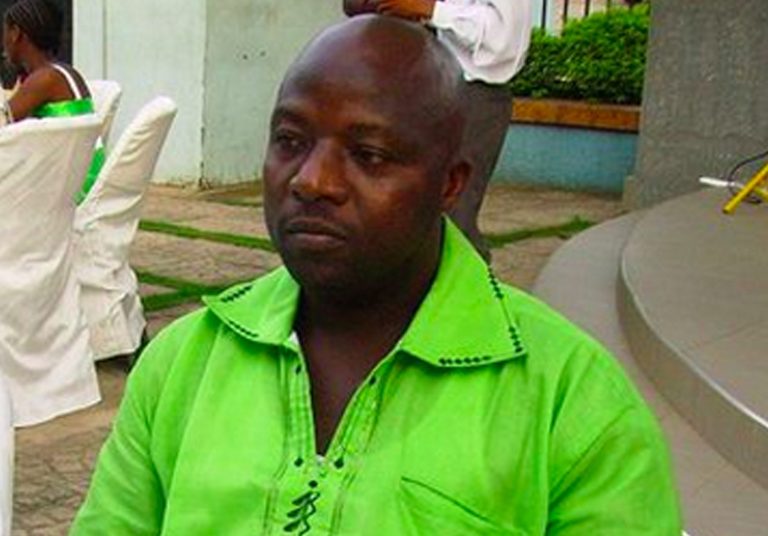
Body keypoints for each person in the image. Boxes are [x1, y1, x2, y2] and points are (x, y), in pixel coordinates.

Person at [72, 15, 680, 535]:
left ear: (451, 183)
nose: (312, 180)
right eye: (290, 140)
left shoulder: (572, 402)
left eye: (368, 156)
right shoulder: (183, 365)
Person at [344, 0, 531, 260]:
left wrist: (430, 9)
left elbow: (503, 42)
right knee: (400, 213)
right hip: (414, 85)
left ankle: (470, 296)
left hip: (471, 95)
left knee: (451, 223)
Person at [1, 0, 103, 203]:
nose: (3, 42)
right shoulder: (62, 72)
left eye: (5, 32)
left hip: (71, 190)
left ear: (16, 33)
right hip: (83, 180)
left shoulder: (45, 79)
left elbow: (4, 122)